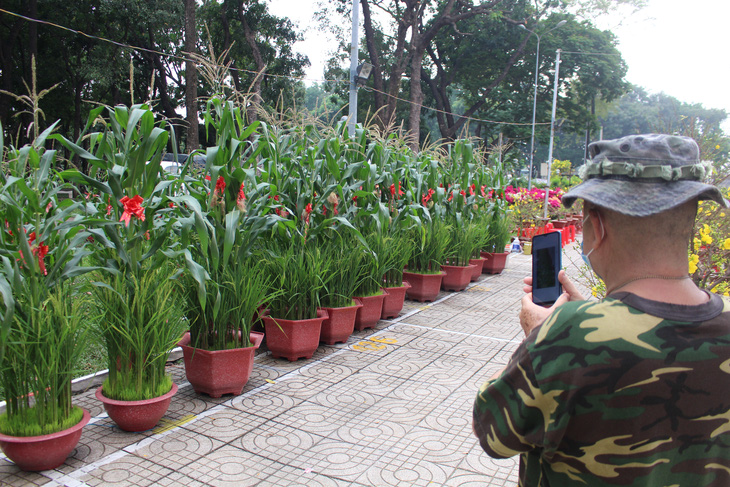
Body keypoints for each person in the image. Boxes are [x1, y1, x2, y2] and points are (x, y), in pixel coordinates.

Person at [473, 134, 730, 486]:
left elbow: (493, 433)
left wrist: (543, 337)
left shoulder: (568, 336)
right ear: (691, 219)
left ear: (597, 226)